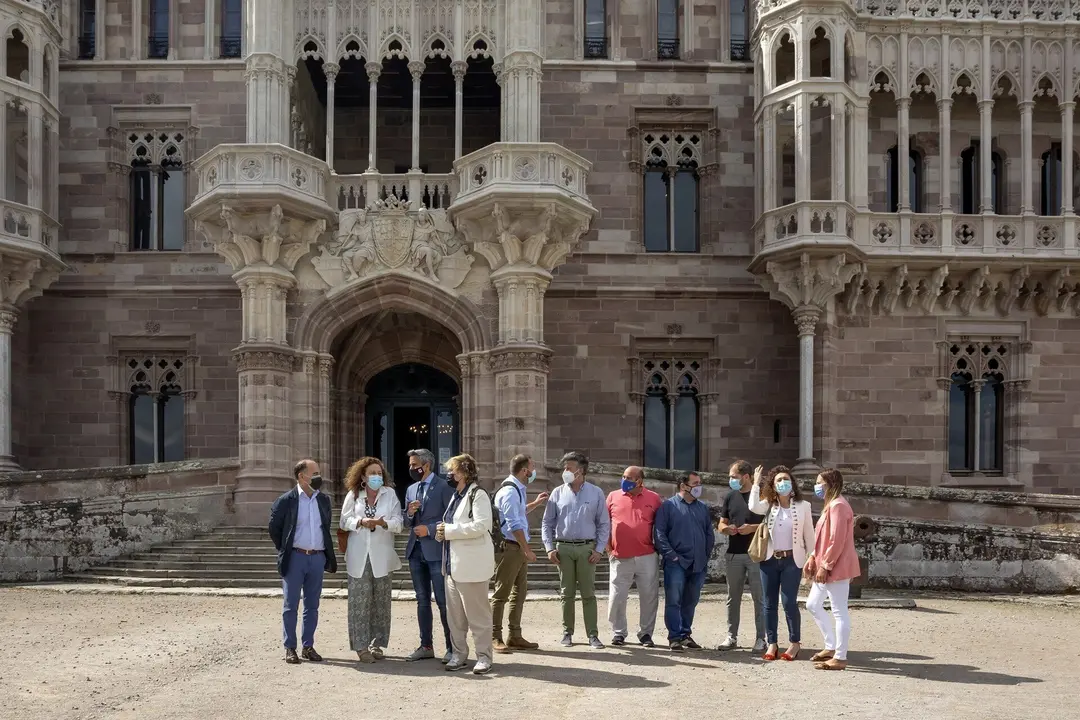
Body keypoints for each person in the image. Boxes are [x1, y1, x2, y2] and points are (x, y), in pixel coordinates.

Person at [268, 459, 337, 664]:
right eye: (314, 473)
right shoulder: (286, 500)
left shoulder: (323, 500)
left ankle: (308, 646)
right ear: (301, 476)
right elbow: (274, 528)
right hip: (295, 557)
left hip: (317, 557)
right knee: (291, 605)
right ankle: (290, 647)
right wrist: (286, 548)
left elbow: (325, 526)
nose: (318, 477)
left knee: (312, 605)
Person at [541, 451, 611, 649]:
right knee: (566, 593)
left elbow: (604, 523)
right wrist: (549, 548)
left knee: (588, 593)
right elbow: (547, 522)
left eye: (568, 468)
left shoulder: (596, 493)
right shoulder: (557, 493)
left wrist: (599, 550)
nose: (565, 472)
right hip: (563, 548)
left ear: (580, 471)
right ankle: (567, 632)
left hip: (586, 549)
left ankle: (593, 635)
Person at [747, 464, 816, 662]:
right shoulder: (769, 504)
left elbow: (809, 535)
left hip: (792, 560)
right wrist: (755, 482)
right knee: (769, 603)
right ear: (773, 485)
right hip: (769, 560)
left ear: (792, 483)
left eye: (786, 479)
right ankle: (772, 643)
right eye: (778, 480)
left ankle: (795, 643)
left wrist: (812, 556)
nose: (783, 483)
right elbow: (753, 507)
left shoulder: (804, 506)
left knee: (788, 602)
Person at [339, 456, 403, 663]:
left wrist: (384, 524)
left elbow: (399, 523)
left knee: (381, 602)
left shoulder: (390, 494)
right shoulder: (354, 495)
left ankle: (377, 644)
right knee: (359, 602)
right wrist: (361, 521)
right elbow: (344, 520)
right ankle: (361, 646)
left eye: (379, 473)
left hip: (382, 556)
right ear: (363, 477)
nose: (376, 476)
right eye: (372, 473)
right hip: (359, 556)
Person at [436, 453, 496, 674]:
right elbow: (452, 523)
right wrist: (442, 532)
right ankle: (459, 653)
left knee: (478, 615)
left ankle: (484, 657)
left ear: (464, 472)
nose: (449, 474)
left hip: (472, 566)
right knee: (455, 617)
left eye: (453, 470)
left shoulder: (477, 495)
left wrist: (449, 531)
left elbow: (481, 525)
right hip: (452, 565)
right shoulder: (456, 496)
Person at [491, 453, 549, 653]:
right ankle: (494, 636)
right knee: (501, 593)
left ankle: (514, 635)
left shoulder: (516, 489)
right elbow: (514, 524)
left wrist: (534, 504)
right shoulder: (510, 491)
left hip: (516, 548)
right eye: (532, 467)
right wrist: (527, 549)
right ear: (524, 471)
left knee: (519, 592)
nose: (534, 471)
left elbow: (516, 514)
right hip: (511, 548)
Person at [403, 448, 455, 663]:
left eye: (414, 465)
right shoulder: (411, 489)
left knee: (443, 601)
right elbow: (406, 522)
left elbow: (451, 518)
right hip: (415, 551)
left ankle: (452, 647)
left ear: (426, 465)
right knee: (422, 600)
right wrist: (409, 513)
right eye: (410, 465)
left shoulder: (444, 487)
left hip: (435, 550)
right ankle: (426, 645)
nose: (411, 469)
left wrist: (430, 529)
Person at [653, 471, 715, 652]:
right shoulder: (668, 507)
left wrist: (704, 556)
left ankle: (685, 634)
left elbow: (708, 534)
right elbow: (660, 534)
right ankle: (674, 637)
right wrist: (672, 556)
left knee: (691, 600)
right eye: (695, 483)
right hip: (676, 563)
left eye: (699, 483)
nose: (699, 487)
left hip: (698, 563)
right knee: (674, 600)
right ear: (683, 486)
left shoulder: (702, 508)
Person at [805, 467, 859, 671]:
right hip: (825, 565)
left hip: (835, 567)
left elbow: (837, 540)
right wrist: (812, 557)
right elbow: (823, 539)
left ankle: (840, 656)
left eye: (820, 482)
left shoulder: (838, 506)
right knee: (812, 604)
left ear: (830, 485)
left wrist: (825, 565)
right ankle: (831, 646)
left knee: (839, 610)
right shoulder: (831, 506)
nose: (817, 486)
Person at [605, 465, 663, 647]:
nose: (624, 480)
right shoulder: (613, 496)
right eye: (623, 476)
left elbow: (661, 525)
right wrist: (608, 547)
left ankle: (646, 634)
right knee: (617, 596)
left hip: (647, 555)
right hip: (620, 556)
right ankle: (618, 632)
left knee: (649, 596)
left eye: (629, 477)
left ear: (639, 480)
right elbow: (604, 523)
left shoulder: (653, 498)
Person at [716, 460, 767, 653]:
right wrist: (725, 529)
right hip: (734, 553)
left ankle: (761, 638)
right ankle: (731, 637)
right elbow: (721, 523)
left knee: (758, 598)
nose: (731, 480)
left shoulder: (762, 496)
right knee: (732, 597)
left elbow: (770, 523)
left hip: (756, 554)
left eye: (734, 477)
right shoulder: (730, 496)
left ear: (746, 477)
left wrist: (751, 528)